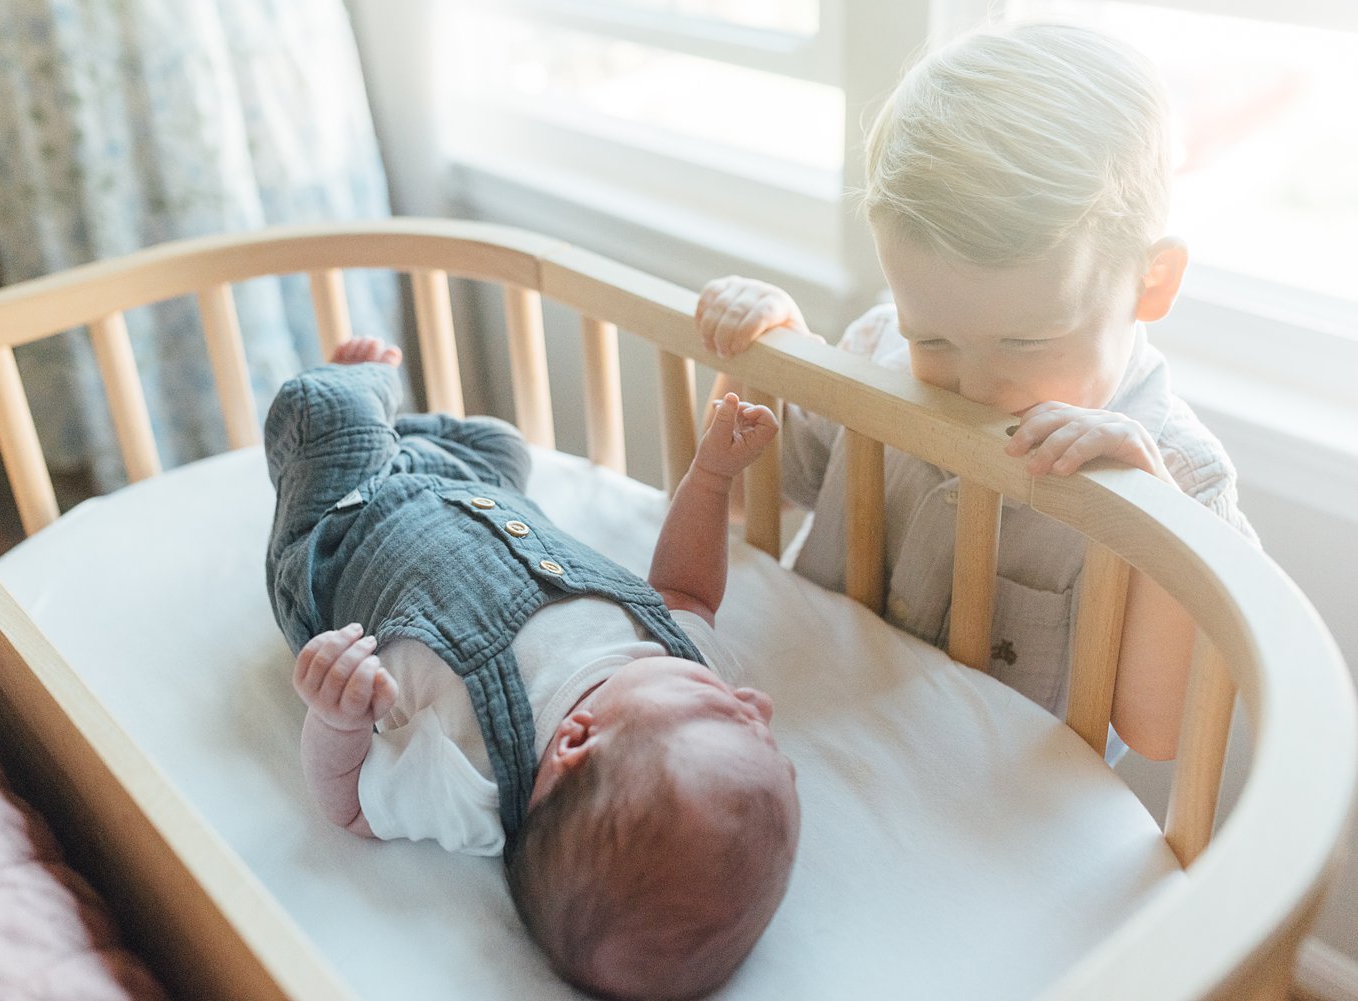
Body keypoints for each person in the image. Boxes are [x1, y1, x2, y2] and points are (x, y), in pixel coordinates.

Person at [694, 21, 1258, 763]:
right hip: (815, 726)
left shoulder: (1180, 476)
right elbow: (740, 501)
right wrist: (767, 357)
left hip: (991, 807)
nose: (977, 385)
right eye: (933, 339)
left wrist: (1146, 521)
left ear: (1151, 283)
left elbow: (1163, 732)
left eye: (1024, 343)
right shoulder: (877, 355)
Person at [264, 337, 800, 1001]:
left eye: (730, 714)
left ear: (578, 739)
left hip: (339, 534)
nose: (757, 700)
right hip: (475, 487)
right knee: (506, 443)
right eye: (767, 732)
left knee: (321, 409)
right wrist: (713, 478)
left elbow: (349, 809)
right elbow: (687, 591)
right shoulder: (679, 658)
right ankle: (401, 438)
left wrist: (336, 715)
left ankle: (362, 403)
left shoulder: (472, 783)